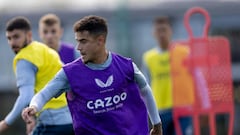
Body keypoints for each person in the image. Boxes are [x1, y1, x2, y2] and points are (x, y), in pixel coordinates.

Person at [22, 15, 163, 135]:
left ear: (100, 41)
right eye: (77, 41)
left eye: (83, 41)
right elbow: (44, 94)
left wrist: (157, 123)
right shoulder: (69, 73)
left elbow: (145, 90)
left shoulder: (126, 66)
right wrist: (34, 107)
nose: (78, 47)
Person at [0, 16, 74, 135]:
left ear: (29, 35)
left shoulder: (24, 59)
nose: (12, 42)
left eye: (16, 37)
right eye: (9, 38)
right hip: (71, 121)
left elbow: (26, 97)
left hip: (52, 124)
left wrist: (5, 123)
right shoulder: (43, 49)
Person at [142, 16, 193, 135]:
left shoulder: (185, 52)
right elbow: (145, 86)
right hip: (161, 111)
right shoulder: (148, 58)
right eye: (158, 30)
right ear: (153, 33)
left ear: (171, 31)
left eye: (164, 30)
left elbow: (198, 78)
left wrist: (205, 104)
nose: (161, 34)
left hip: (184, 108)